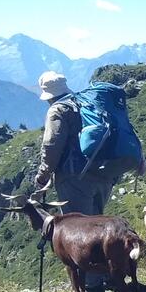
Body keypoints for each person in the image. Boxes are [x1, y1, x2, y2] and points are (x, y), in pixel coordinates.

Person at [34, 71, 113, 215]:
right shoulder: (85, 103)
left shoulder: (57, 110)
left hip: (75, 178)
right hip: (103, 173)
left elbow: (51, 145)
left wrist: (43, 175)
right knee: (96, 227)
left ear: (48, 95)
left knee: (79, 229)